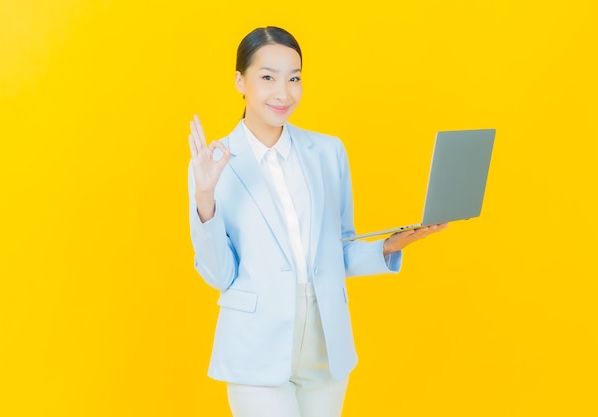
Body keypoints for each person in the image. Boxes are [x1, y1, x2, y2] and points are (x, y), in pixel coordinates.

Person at [187, 26, 447, 417]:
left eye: (294, 78)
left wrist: (390, 246)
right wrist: (204, 198)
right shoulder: (212, 164)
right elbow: (219, 275)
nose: (284, 92)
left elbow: (338, 249)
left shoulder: (327, 152)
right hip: (256, 346)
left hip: (325, 343)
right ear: (240, 80)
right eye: (268, 77)